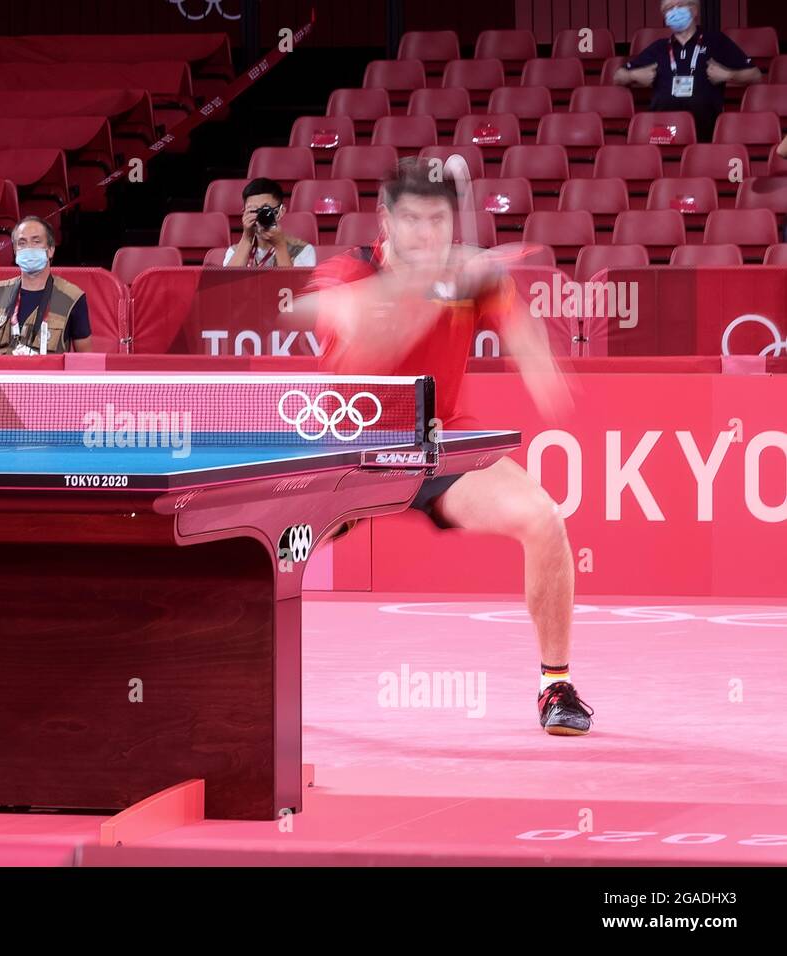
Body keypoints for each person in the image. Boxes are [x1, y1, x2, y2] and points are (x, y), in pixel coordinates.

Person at [295, 158, 593, 735]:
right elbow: (362, 356)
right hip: (352, 454)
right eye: (412, 220)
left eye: (438, 220)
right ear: (385, 219)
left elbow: (525, 338)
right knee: (267, 552)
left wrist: (537, 361)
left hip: (442, 448)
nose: (426, 234)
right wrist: (422, 290)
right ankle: (246, 684)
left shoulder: (469, 275)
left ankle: (554, 686)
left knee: (545, 520)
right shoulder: (343, 274)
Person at [613, 0, 760, 142]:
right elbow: (618, 77)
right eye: (669, 8)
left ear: (694, 10)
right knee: (651, 157)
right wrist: (634, 75)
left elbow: (755, 76)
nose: (674, 11)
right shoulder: (659, 48)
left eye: (679, 5)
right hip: (665, 131)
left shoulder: (716, 41)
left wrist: (728, 75)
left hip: (706, 130)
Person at [0, 216, 93, 355]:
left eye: (36, 242)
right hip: (1, 375)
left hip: (46, 375)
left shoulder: (72, 297)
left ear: (51, 250)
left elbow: (85, 356)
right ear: (15, 251)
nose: (28, 248)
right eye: (22, 243)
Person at [223, 177, 316, 267]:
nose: (260, 216)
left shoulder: (302, 249)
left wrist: (280, 246)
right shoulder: (234, 251)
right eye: (253, 210)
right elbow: (228, 281)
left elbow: (292, 282)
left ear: (280, 212)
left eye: (265, 210)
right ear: (244, 213)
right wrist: (247, 238)